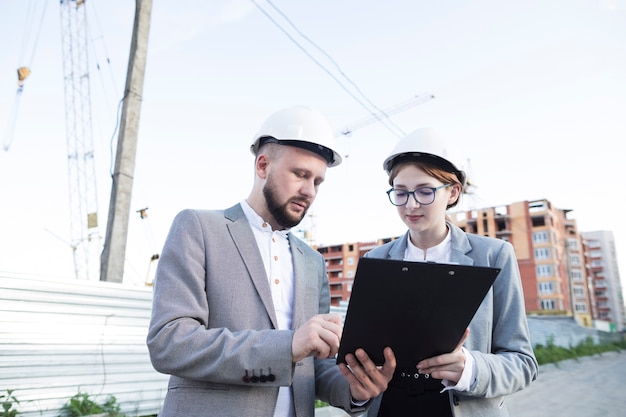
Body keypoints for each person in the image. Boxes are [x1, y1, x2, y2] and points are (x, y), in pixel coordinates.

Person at [147, 105, 396, 417]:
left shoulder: (313, 261)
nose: (309, 191)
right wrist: (288, 345)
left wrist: (354, 390)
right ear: (262, 165)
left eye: (318, 181)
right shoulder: (198, 228)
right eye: (300, 174)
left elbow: (313, 366)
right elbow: (170, 343)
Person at [362, 128, 538, 416]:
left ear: (453, 192)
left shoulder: (493, 256)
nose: (411, 204)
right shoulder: (376, 259)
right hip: (390, 406)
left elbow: (523, 363)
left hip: (460, 404)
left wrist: (470, 368)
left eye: (424, 191)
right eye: (401, 193)